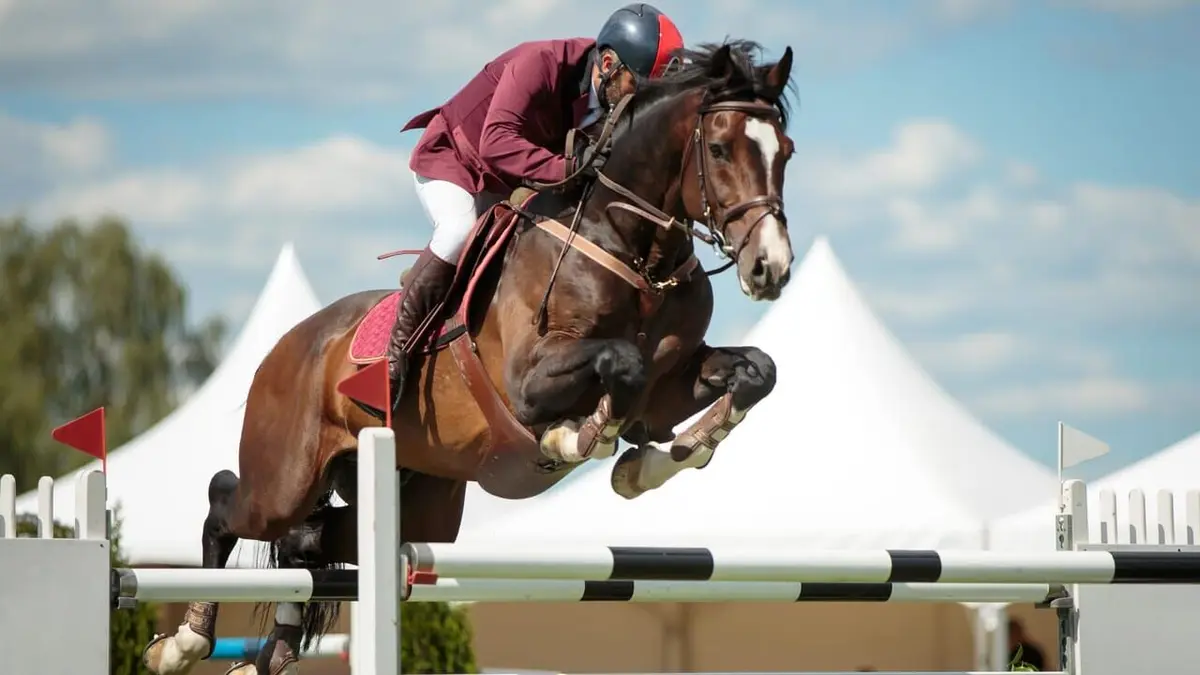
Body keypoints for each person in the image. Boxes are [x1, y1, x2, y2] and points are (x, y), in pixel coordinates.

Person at [386, 3, 685, 410]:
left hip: (512, 181)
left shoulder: (612, 96)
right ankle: (395, 353)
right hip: (456, 162)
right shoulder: (539, 63)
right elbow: (495, 144)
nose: (640, 102)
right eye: (640, 86)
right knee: (458, 230)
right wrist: (568, 168)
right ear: (610, 64)